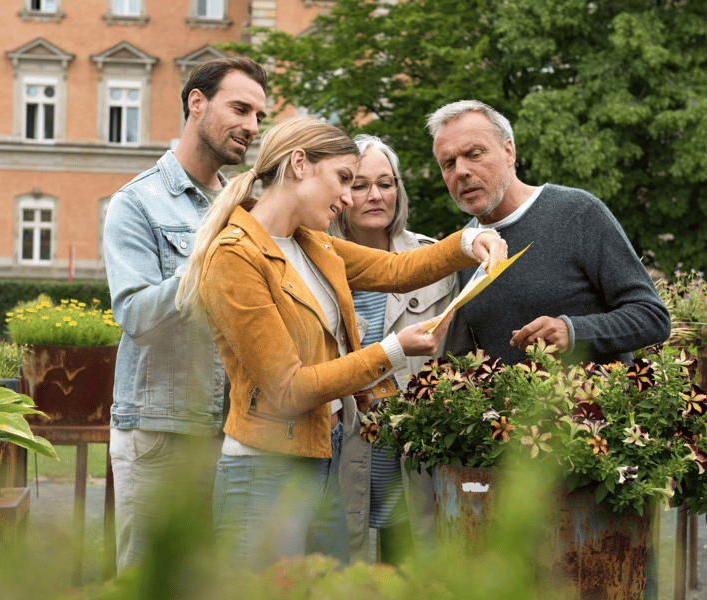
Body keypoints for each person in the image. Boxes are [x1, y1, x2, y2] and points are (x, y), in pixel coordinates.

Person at [175, 116, 507, 571]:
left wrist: (473, 239)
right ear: (298, 165)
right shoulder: (235, 256)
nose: (349, 198)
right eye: (344, 179)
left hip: (322, 452)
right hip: (265, 468)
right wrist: (392, 351)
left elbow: (397, 270)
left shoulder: (310, 244)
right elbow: (288, 389)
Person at [102, 56, 267, 571]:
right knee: (151, 579)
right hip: (161, 433)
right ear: (197, 103)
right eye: (240, 108)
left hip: (233, 432)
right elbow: (134, 315)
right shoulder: (137, 202)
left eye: (260, 116)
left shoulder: (243, 209)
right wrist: (206, 261)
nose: (252, 127)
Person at [424, 100, 671, 366]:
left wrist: (573, 332)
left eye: (474, 154)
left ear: (509, 152)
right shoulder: (462, 250)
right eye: (448, 163)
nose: (461, 171)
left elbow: (653, 317)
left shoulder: (578, 213)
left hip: (595, 404)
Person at [328, 134, 471, 564]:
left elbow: (457, 359)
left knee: (409, 568)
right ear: (340, 193)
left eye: (386, 183)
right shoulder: (317, 262)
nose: (375, 195)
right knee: (340, 575)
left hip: (412, 453)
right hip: (340, 451)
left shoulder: (434, 260)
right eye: (358, 184)